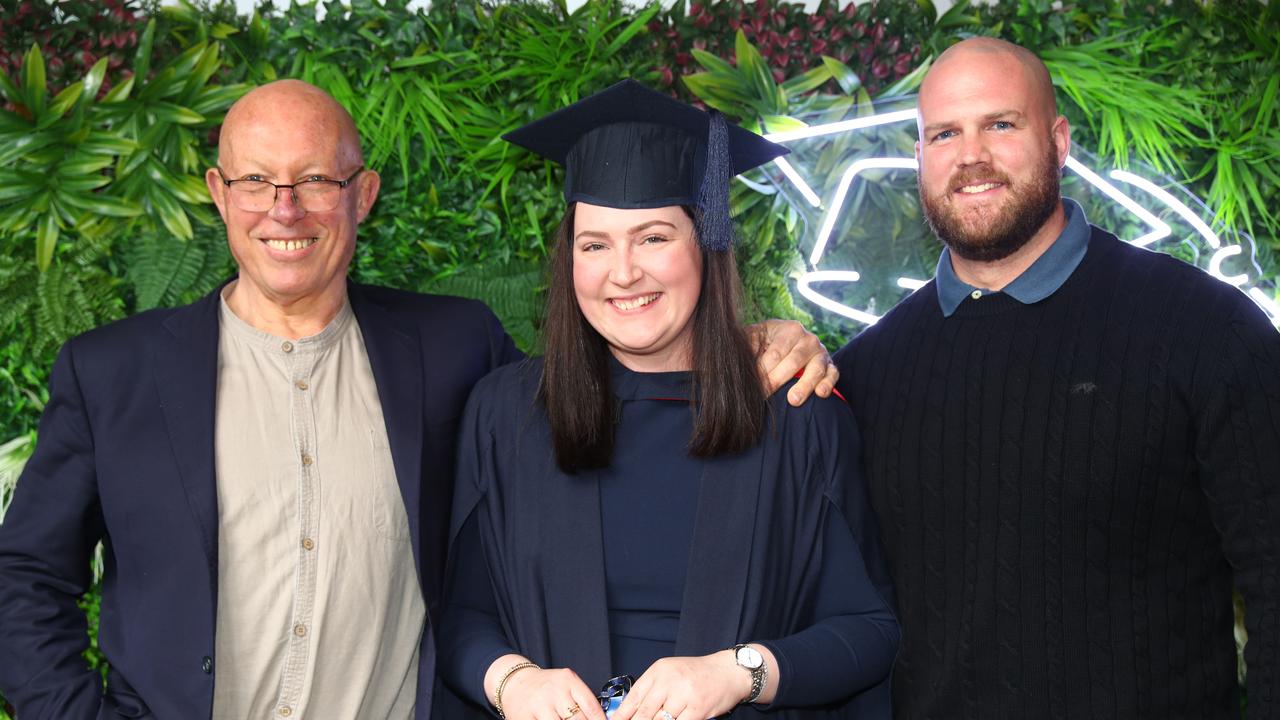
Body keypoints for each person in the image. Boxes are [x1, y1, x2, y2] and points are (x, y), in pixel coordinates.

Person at [0, 80, 837, 720]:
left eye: (315, 179)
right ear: (220, 194)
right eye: (256, 181)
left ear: (361, 195)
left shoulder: (453, 351)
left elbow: (618, 378)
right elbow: (26, 576)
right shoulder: (112, 375)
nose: (283, 209)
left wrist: (760, 335)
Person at [833, 37, 1279, 719]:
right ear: (919, 157)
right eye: (945, 133)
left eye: (1000, 124)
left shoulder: (1204, 330)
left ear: (1060, 141)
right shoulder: (869, 372)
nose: (971, 155)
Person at [436, 79, 899, 720]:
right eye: (595, 244)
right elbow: (462, 617)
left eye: (653, 237)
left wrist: (741, 671)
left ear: (705, 245)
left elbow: (869, 631)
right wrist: (514, 683)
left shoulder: (794, 414)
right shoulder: (507, 415)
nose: (623, 272)